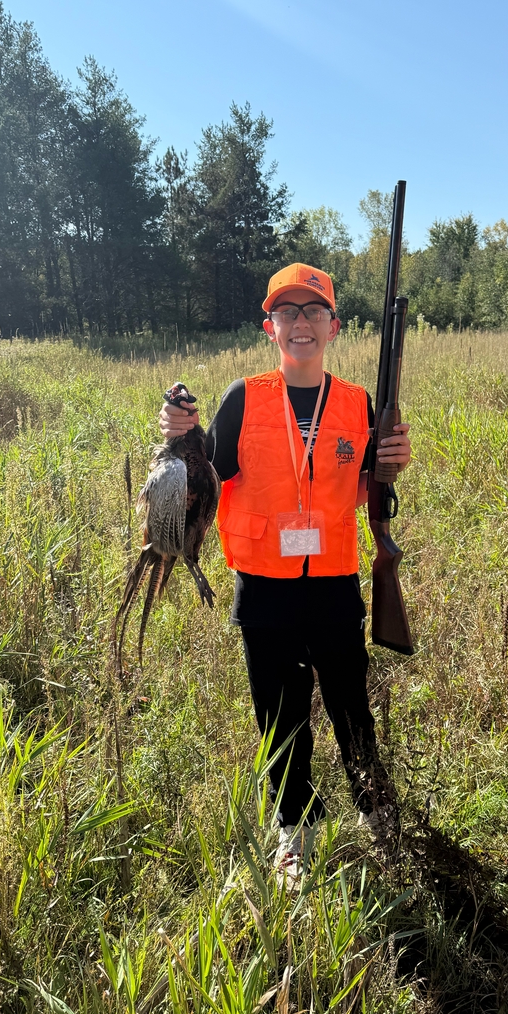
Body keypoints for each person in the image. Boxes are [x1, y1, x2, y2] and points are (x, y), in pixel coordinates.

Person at [158, 262, 412, 882]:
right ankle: (292, 833)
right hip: (265, 590)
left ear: (335, 326)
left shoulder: (357, 403)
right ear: (269, 326)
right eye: (288, 313)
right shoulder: (244, 398)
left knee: (352, 706)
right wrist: (174, 438)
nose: (301, 324)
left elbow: (355, 496)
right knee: (280, 713)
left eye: (313, 312)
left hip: (334, 586)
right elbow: (204, 480)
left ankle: (377, 815)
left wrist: (387, 473)